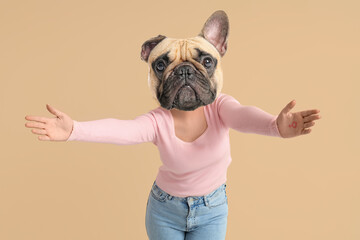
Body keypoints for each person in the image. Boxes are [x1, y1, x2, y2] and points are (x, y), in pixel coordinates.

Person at [25, 93, 320, 240]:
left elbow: (243, 115)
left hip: (212, 209)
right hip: (164, 210)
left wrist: (275, 126)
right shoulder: (157, 121)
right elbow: (123, 130)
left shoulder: (219, 106)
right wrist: (75, 129)